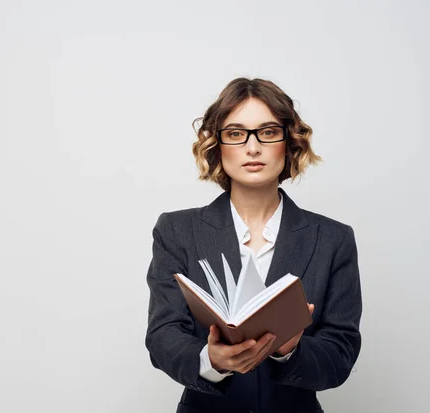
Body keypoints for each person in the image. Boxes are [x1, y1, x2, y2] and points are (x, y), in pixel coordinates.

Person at [145, 78, 362, 413]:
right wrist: (211, 360)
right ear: (217, 145)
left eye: (268, 132)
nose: (252, 147)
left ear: (289, 143)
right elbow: (163, 336)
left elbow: (341, 353)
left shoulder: (333, 239)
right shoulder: (176, 231)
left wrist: (290, 350)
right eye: (236, 133)